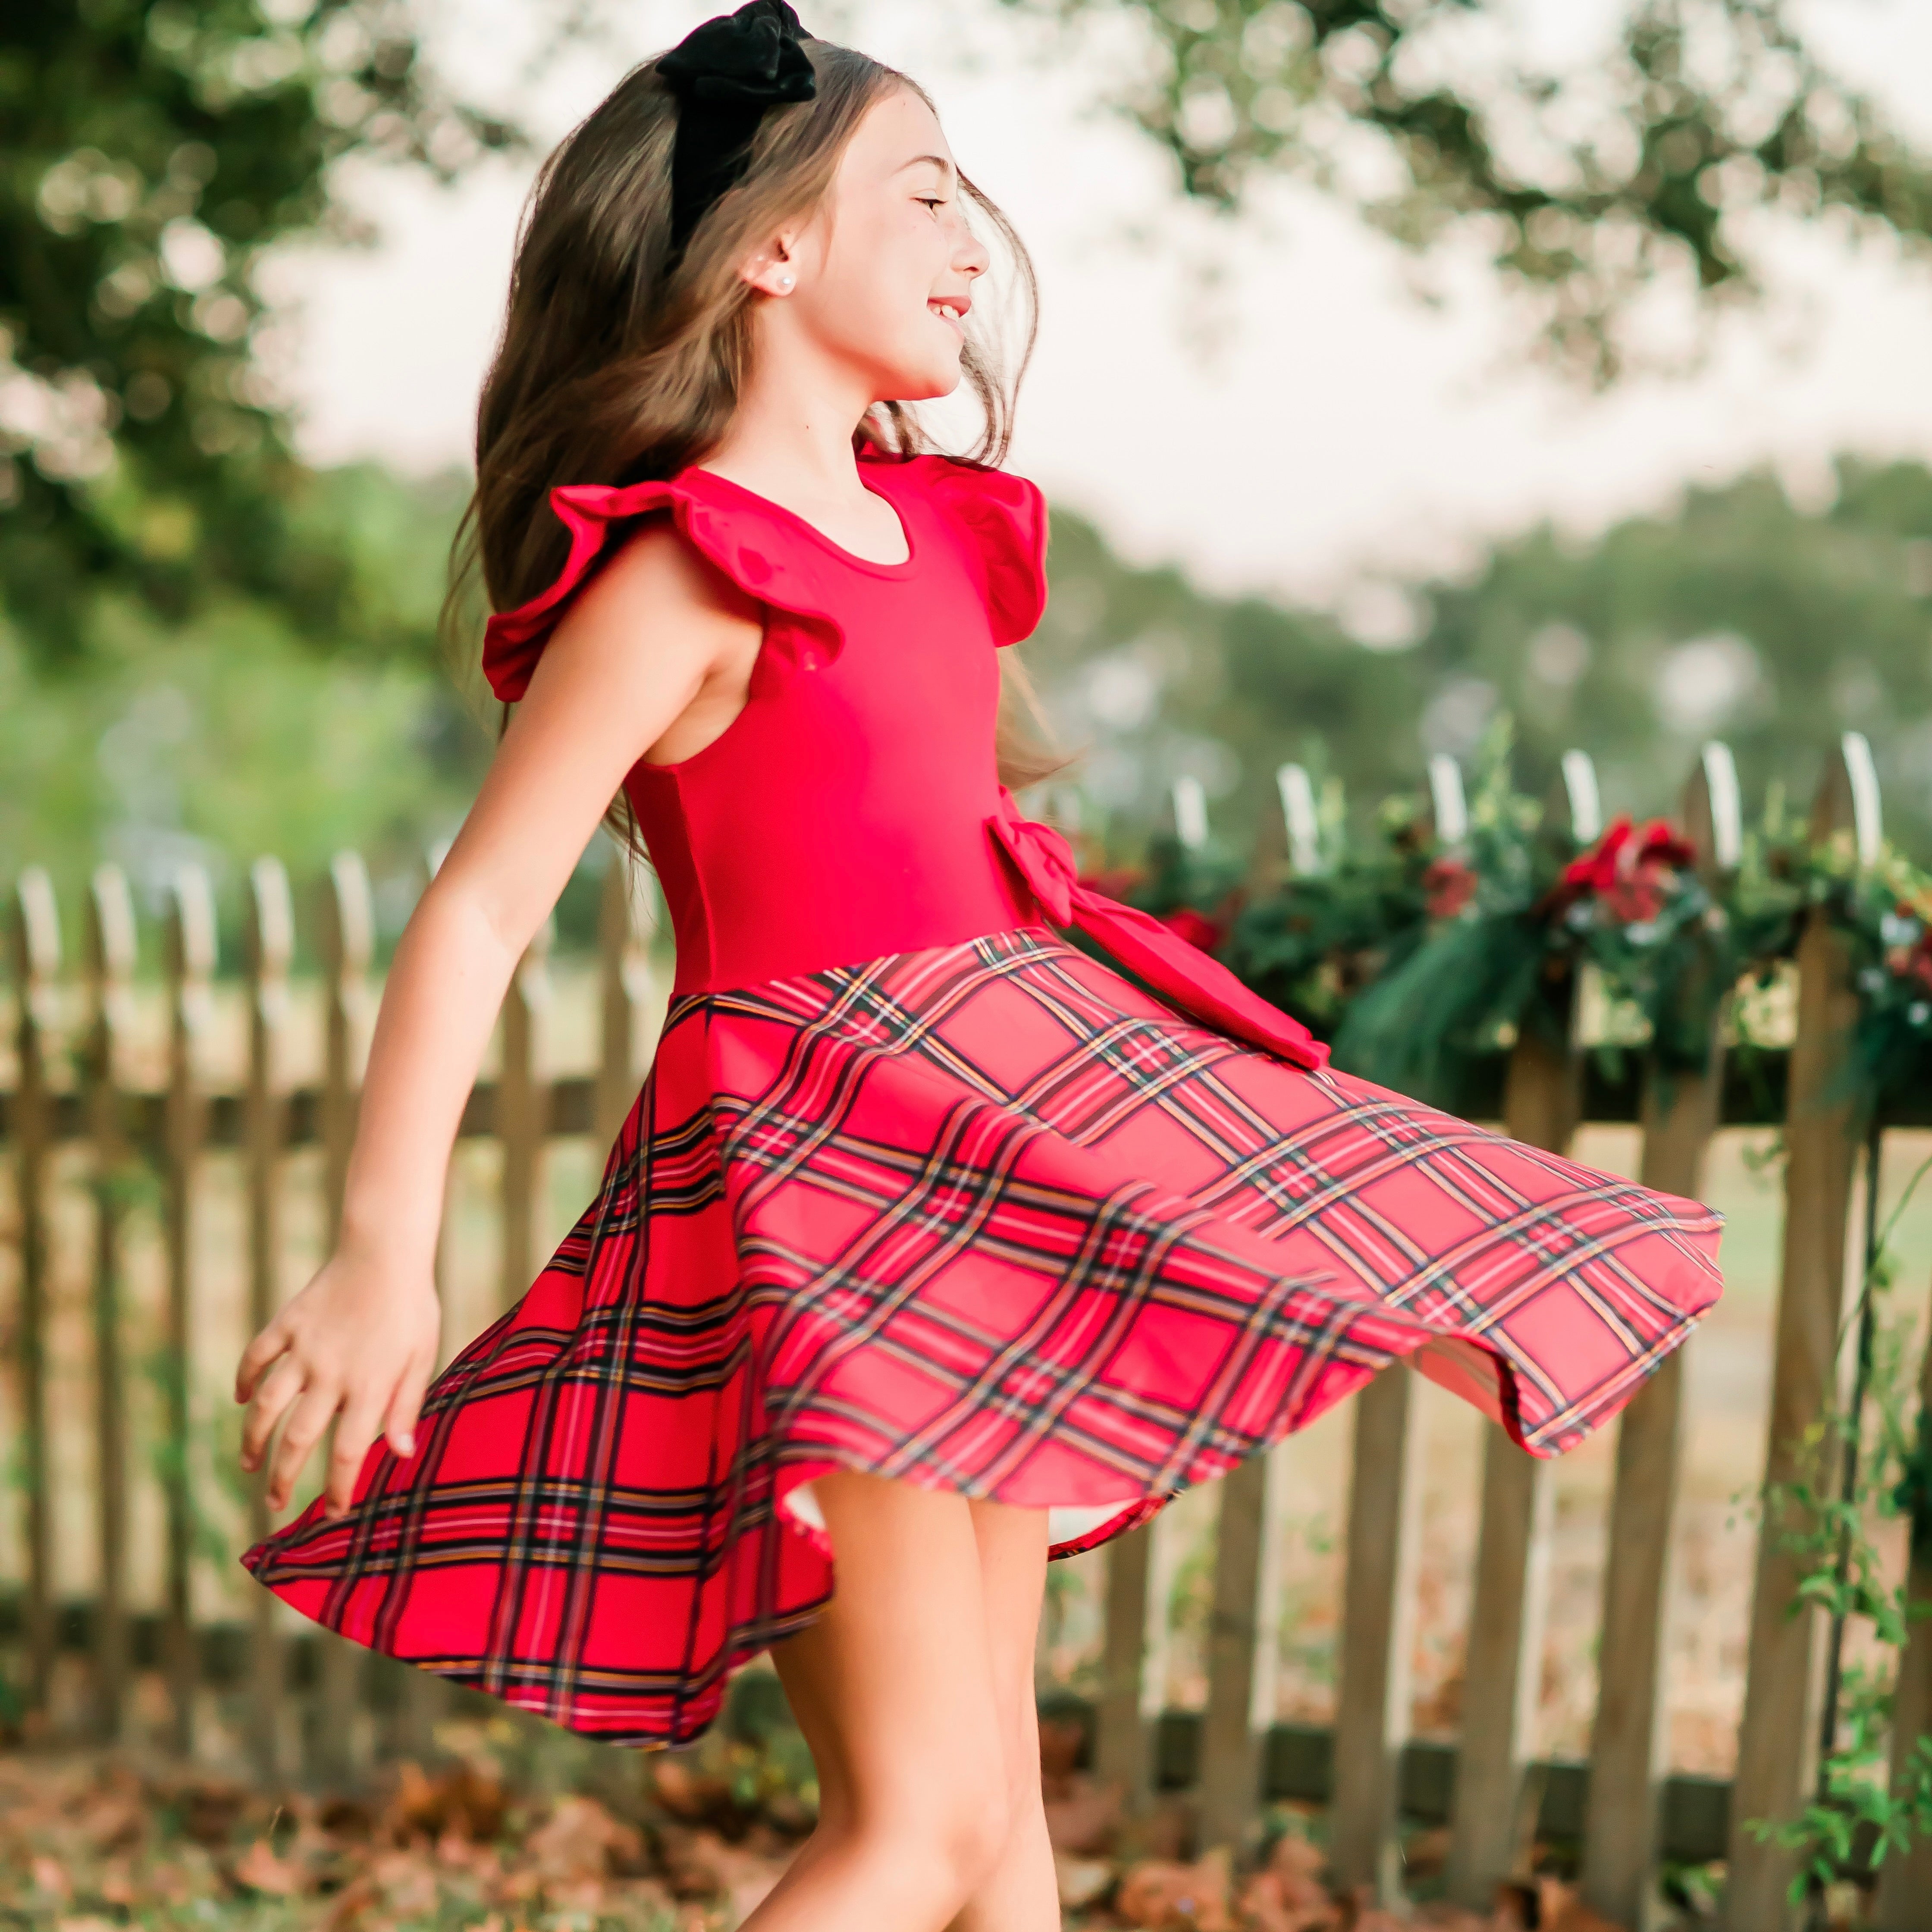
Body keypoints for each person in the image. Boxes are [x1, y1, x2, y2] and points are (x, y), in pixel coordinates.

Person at [235, 6, 1723, 1927]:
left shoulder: (931, 538)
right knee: (919, 1825)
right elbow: (477, 912)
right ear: (773, 249)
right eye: (924, 195)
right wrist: (385, 1244)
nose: (971, 243)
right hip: (823, 1183)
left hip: (991, 1154)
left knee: (1002, 1825)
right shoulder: (685, 572)